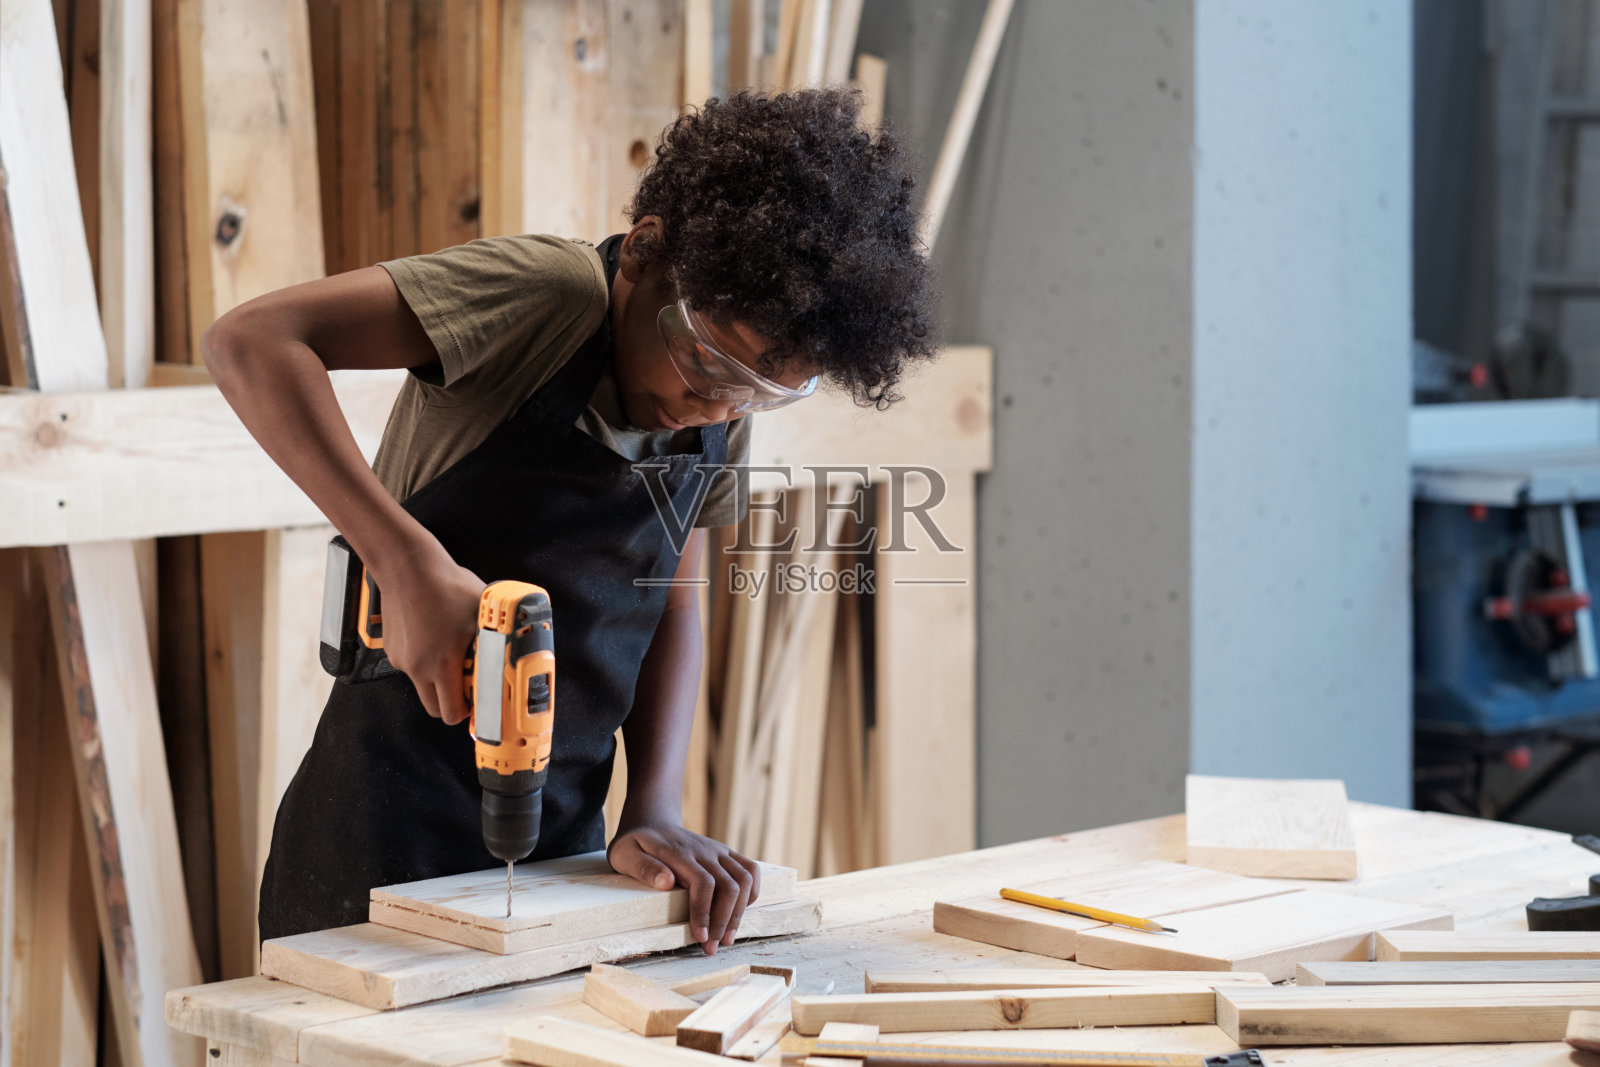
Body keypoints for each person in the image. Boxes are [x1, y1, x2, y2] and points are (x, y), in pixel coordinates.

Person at [207, 86, 936, 952]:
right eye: (703, 360)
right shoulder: (544, 298)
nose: (712, 405)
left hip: (561, 859)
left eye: (758, 391)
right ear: (644, 253)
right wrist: (400, 557)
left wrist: (654, 805)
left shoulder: (717, 417)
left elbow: (675, 602)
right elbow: (252, 341)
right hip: (373, 841)